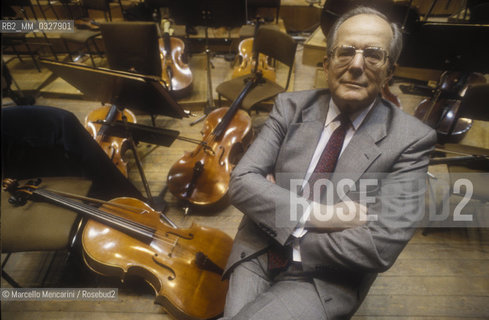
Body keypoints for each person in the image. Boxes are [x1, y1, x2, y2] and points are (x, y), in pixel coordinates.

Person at [221, 6, 437, 320]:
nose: (357, 65)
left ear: (390, 70)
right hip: (258, 248)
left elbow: (379, 244)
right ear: (327, 63)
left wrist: (281, 213)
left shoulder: (412, 139)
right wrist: (322, 215)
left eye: (373, 55)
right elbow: (241, 183)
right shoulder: (289, 107)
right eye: (345, 52)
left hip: (326, 277)